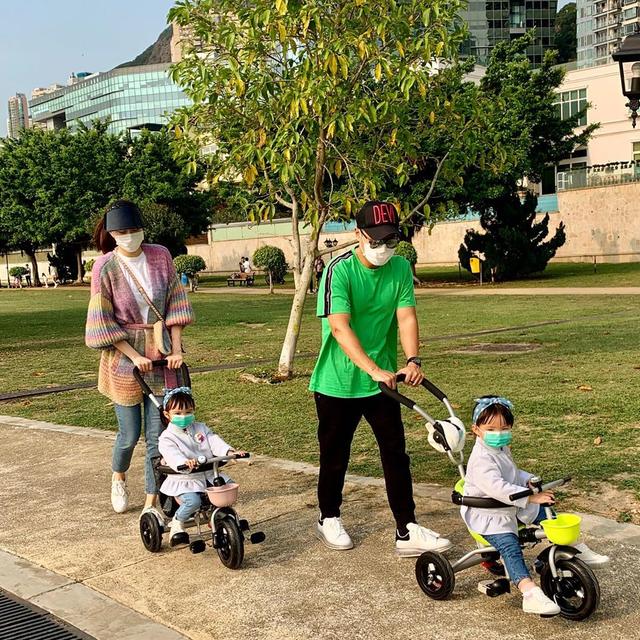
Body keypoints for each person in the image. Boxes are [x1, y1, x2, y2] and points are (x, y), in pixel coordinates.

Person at [309, 200, 451, 556]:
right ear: (358, 235)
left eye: (390, 241)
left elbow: (406, 317)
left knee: (395, 454)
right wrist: (371, 368)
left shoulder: (401, 267)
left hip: (384, 384)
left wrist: (413, 360)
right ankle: (328, 517)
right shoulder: (338, 271)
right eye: (376, 241)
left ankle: (407, 530)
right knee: (335, 455)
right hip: (338, 383)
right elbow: (339, 328)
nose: (384, 249)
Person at [85, 200, 194, 518]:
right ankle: (118, 477)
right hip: (123, 353)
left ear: (142, 229)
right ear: (112, 233)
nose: (129, 236)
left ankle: (152, 502)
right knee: (129, 434)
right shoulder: (104, 266)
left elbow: (175, 302)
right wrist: (133, 356)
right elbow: (102, 319)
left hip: (160, 348)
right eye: (122, 232)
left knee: (157, 437)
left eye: (134, 230)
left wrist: (175, 348)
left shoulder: (160, 256)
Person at [462, 396, 609, 616]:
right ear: (476, 429)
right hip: (489, 513)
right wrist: (530, 497)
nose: (499, 433)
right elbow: (497, 487)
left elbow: (512, 473)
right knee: (510, 547)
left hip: (510, 504)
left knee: (545, 512)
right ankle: (529, 593)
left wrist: (528, 480)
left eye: (504, 428)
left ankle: (575, 547)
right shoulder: (481, 459)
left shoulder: (500, 448)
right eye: (491, 428)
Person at [158, 387, 245, 545]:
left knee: (227, 490)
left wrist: (229, 451)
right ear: (167, 415)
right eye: (178, 413)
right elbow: (171, 454)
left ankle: (218, 519)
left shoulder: (200, 428)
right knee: (193, 502)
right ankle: (177, 524)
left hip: (209, 474)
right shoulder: (167, 437)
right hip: (185, 480)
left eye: (188, 412)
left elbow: (213, 440)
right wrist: (183, 462)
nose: (183, 416)